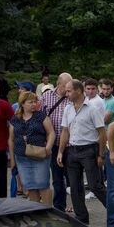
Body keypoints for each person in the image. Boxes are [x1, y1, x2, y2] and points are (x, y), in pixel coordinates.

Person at [57, 80, 106, 224]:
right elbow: (65, 131)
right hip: (72, 150)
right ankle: (81, 218)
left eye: (69, 91)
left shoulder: (92, 108)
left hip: (89, 150)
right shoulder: (68, 108)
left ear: (78, 91)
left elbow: (101, 132)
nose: (66, 94)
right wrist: (60, 152)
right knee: (75, 187)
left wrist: (100, 154)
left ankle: (113, 211)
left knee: (95, 186)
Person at [8, 92, 55, 205]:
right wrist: (12, 159)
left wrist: (48, 148)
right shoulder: (15, 119)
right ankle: (36, 212)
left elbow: (51, 133)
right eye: (30, 102)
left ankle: (47, 211)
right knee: (30, 186)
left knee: (43, 184)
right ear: (22, 104)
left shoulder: (41, 116)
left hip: (40, 155)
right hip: (22, 157)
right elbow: (11, 139)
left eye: (35, 102)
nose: (34, 104)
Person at [41, 72, 72, 212]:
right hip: (53, 144)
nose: (69, 88)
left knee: (73, 177)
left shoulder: (72, 97)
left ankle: (77, 206)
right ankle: (59, 207)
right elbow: (40, 117)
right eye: (67, 85)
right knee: (57, 178)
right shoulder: (46, 96)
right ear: (59, 84)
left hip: (71, 145)